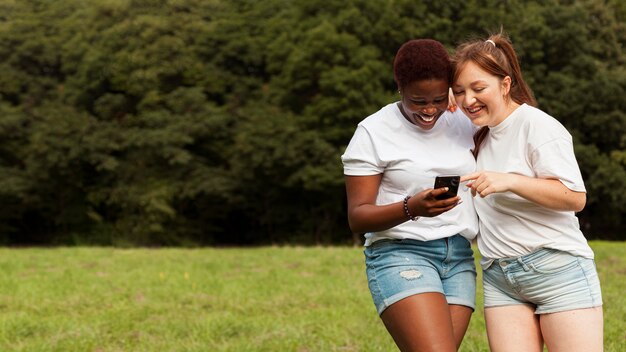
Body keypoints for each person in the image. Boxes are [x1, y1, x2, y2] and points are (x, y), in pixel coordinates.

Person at [452, 33, 603, 352]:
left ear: (505, 85)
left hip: (557, 269)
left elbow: (575, 197)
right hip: (500, 276)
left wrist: (510, 180)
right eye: (460, 92)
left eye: (479, 89)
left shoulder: (537, 127)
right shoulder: (481, 135)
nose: (468, 100)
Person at [341, 39, 479, 351]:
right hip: (401, 253)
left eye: (437, 99)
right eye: (418, 101)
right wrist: (411, 207)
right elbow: (358, 217)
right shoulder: (373, 132)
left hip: (458, 255)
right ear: (399, 88)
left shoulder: (461, 119)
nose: (430, 110)